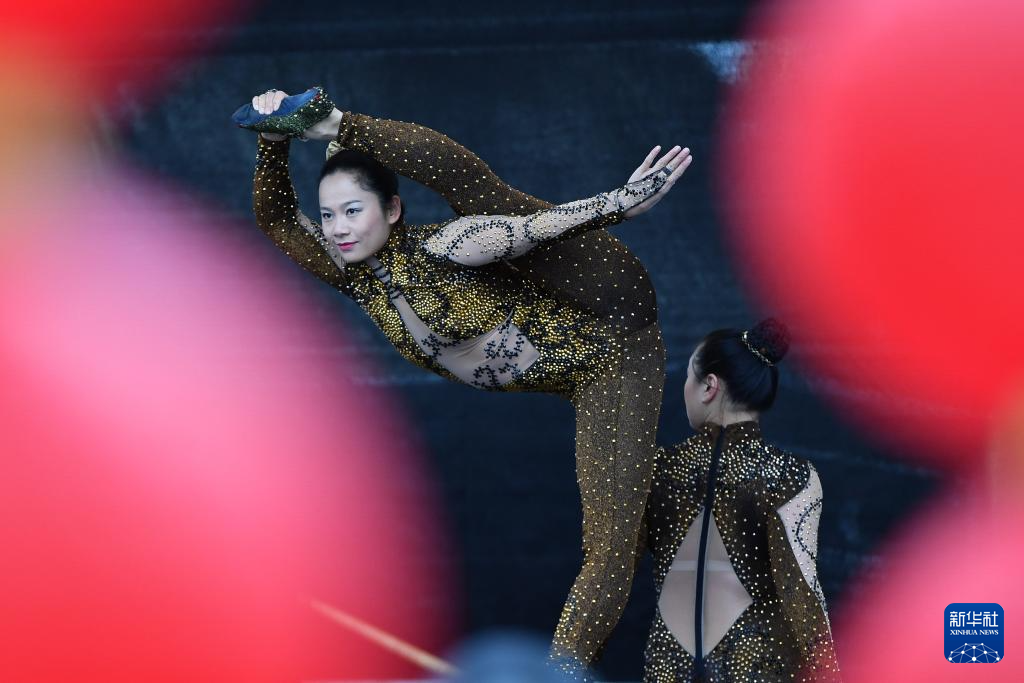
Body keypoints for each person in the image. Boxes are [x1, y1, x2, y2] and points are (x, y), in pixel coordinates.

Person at [235, 86, 692, 678]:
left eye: (352, 211)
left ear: (392, 211)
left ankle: (336, 121)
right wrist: (272, 144)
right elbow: (277, 220)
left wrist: (619, 204)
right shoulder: (355, 272)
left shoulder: (446, 247)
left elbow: (533, 226)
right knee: (627, 531)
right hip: (564, 348)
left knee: (610, 548)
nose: (339, 229)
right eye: (328, 215)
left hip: (611, 327)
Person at [642, 319, 840, 682]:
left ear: (709, 386)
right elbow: (802, 594)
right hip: (756, 669)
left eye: (688, 377)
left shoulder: (655, 470)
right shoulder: (791, 476)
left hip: (670, 669)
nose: (683, 388)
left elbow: (610, 571)